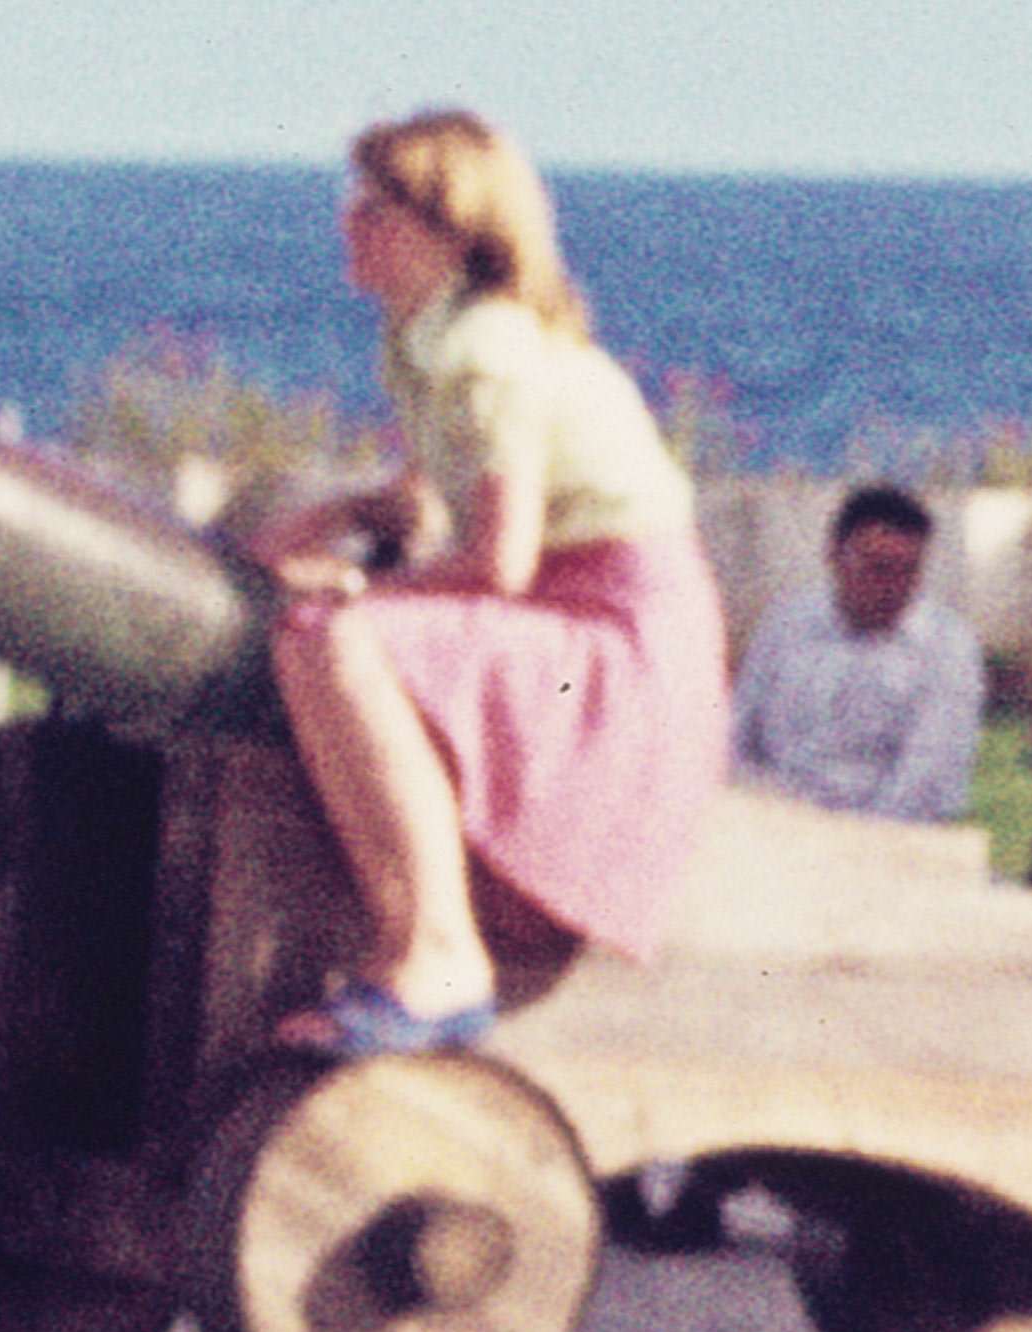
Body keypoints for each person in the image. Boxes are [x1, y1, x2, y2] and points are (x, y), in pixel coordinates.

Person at [250, 109, 729, 1056]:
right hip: (581, 614)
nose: (351, 220)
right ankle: (416, 944)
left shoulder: (485, 349)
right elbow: (434, 504)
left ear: (455, 234)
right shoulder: (424, 339)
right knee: (321, 629)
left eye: (378, 206)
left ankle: (439, 957)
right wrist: (347, 516)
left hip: (621, 641)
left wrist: (352, 588)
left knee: (336, 637)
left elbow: (500, 563)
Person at [731, 483, 985, 823]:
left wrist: (855, 840)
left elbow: (925, 775)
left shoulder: (947, 646)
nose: (892, 587)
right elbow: (738, 733)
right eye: (878, 568)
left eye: (908, 570)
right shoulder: (787, 622)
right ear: (834, 556)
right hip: (775, 822)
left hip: (891, 833)